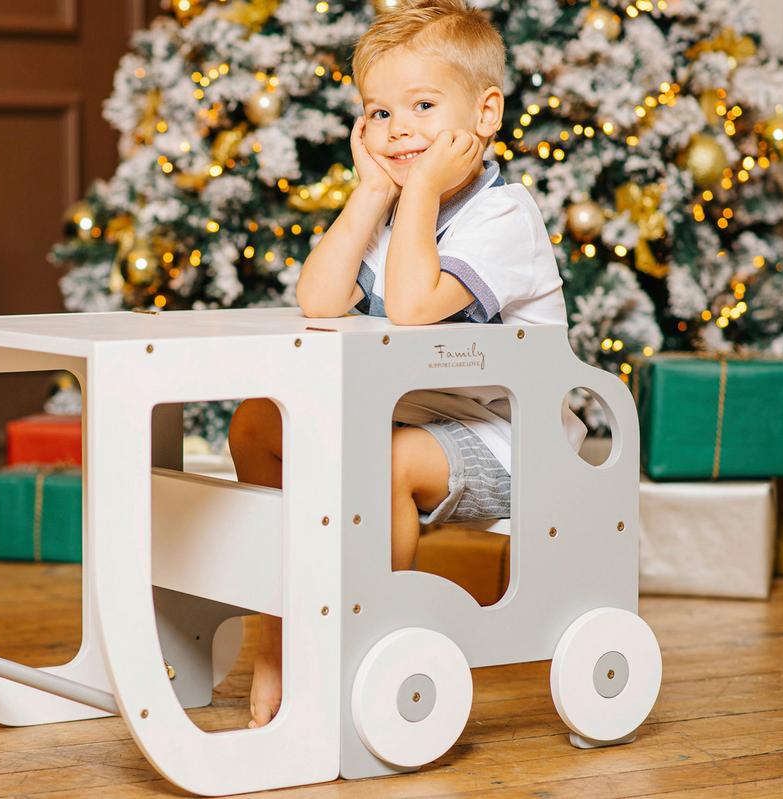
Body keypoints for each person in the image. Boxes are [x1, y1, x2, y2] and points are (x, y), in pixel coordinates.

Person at [228, 0, 586, 729]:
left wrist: (417, 189)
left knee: (386, 461)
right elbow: (319, 299)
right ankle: (281, 623)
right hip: (421, 418)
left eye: (423, 106)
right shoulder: (393, 209)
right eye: (379, 112)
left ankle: (368, 644)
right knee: (258, 423)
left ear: (485, 114)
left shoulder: (502, 216)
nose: (398, 130)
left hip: (518, 442)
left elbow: (415, 306)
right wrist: (372, 192)